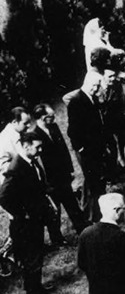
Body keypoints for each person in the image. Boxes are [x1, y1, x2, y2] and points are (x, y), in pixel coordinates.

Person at [0, 130, 58, 294]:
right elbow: (3, 196)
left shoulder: (31, 162)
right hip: (25, 224)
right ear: (26, 147)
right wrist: (22, 214)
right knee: (31, 258)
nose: (40, 150)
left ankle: (37, 287)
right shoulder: (16, 168)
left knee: (36, 255)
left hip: (35, 219)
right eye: (37, 147)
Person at [32, 104, 88, 242]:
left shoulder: (54, 127)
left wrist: (70, 169)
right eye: (51, 116)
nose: (54, 118)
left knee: (71, 203)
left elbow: (63, 149)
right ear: (43, 118)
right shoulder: (35, 135)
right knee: (54, 209)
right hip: (50, 179)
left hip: (62, 175)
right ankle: (56, 238)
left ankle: (82, 228)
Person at [64, 72, 108, 222]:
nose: (96, 89)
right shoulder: (77, 101)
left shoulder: (91, 98)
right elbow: (73, 130)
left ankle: (96, 211)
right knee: (92, 181)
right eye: (95, 86)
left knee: (95, 179)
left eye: (98, 86)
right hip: (87, 149)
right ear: (87, 83)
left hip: (95, 146)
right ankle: (91, 215)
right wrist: (81, 148)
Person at [0, 106, 33, 178]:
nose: (29, 125)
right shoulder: (7, 139)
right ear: (14, 122)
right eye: (25, 123)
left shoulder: (17, 132)